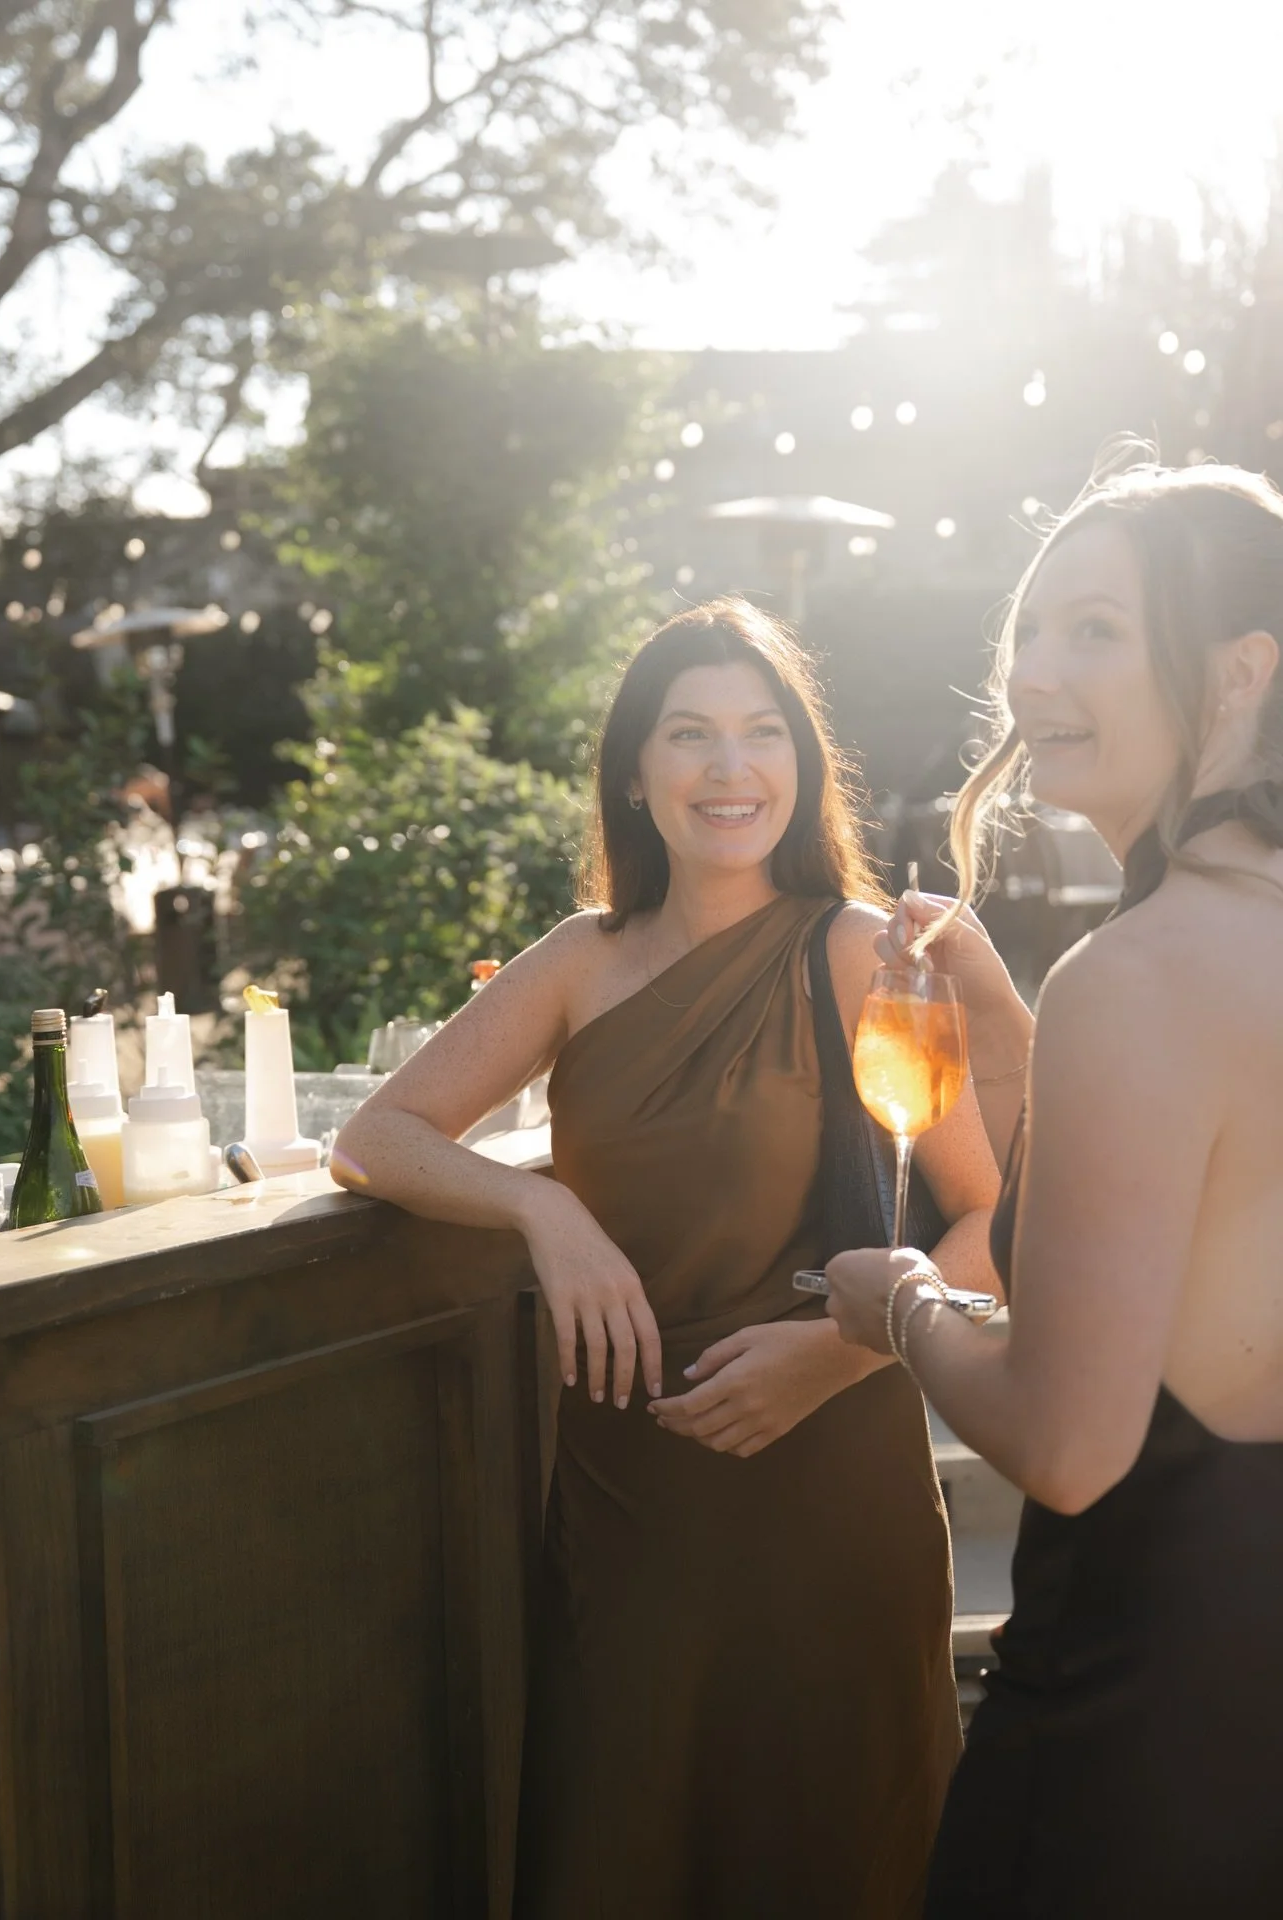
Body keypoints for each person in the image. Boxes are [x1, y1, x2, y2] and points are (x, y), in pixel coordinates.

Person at [331, 598, 999, 1919]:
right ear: (635, 775)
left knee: (838, 1854)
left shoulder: (863, 948)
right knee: (626, 1851)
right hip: (633, 1498)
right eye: (688, 734)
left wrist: (837, 1349)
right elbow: (379, 1136)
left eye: (761, 734)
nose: (728, 767)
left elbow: (992, 1221)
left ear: (802, 768)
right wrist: (546, 1214)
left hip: (836, 1479)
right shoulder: (580, 962)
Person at [824, 459, 1283, 1918]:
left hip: (1134, 1738)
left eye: (1094, 628)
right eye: (1029, 630)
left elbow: (1072, 1445)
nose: (1034, 673)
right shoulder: (1203, 963)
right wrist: (1021, 1026)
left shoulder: (1139, 981)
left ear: (1239, 675)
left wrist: (896, 1303)